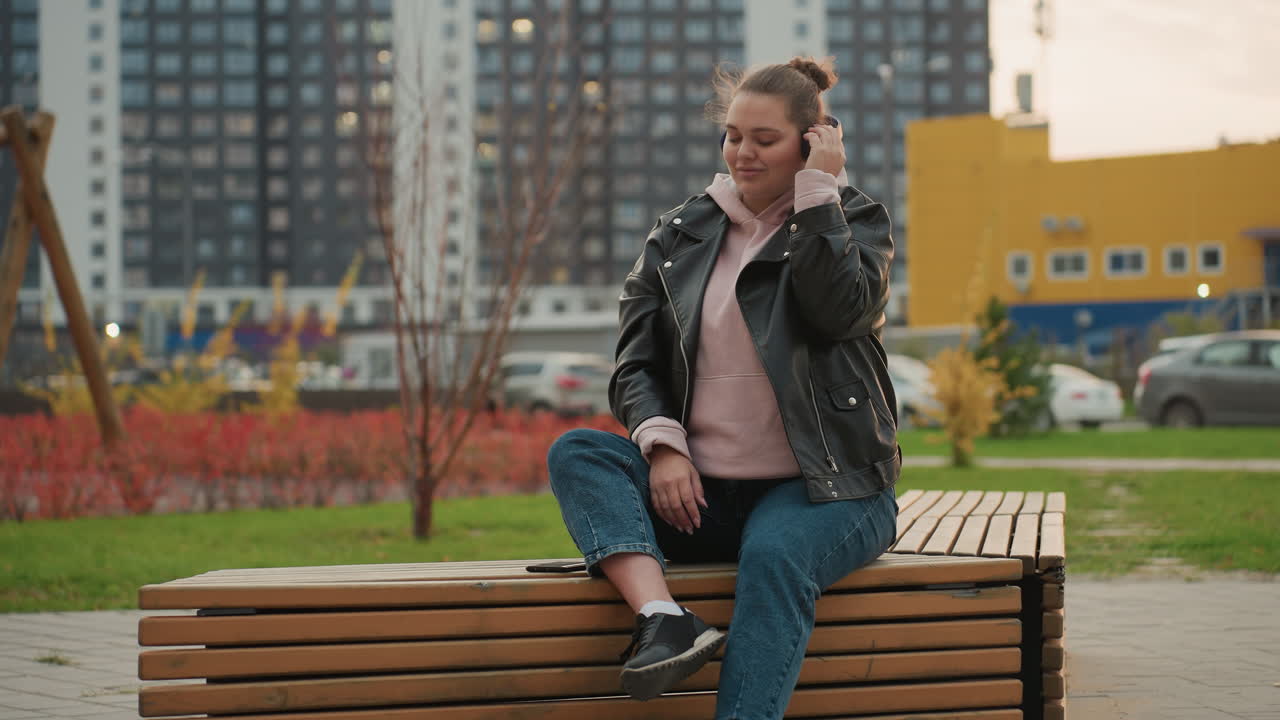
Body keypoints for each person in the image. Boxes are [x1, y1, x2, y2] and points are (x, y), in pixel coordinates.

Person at [546, 56, 900, 720]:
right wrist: (663, 447)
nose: (743, 152)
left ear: (814, 138)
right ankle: (664, 619)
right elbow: (635, 362)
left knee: (772, 557)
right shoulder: (682, 232)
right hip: (702, 495)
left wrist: (819, 198)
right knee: (578, 453)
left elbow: (840, 311)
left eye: (764, 139)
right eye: (734, 135)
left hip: (827, 490)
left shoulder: (856, 221)